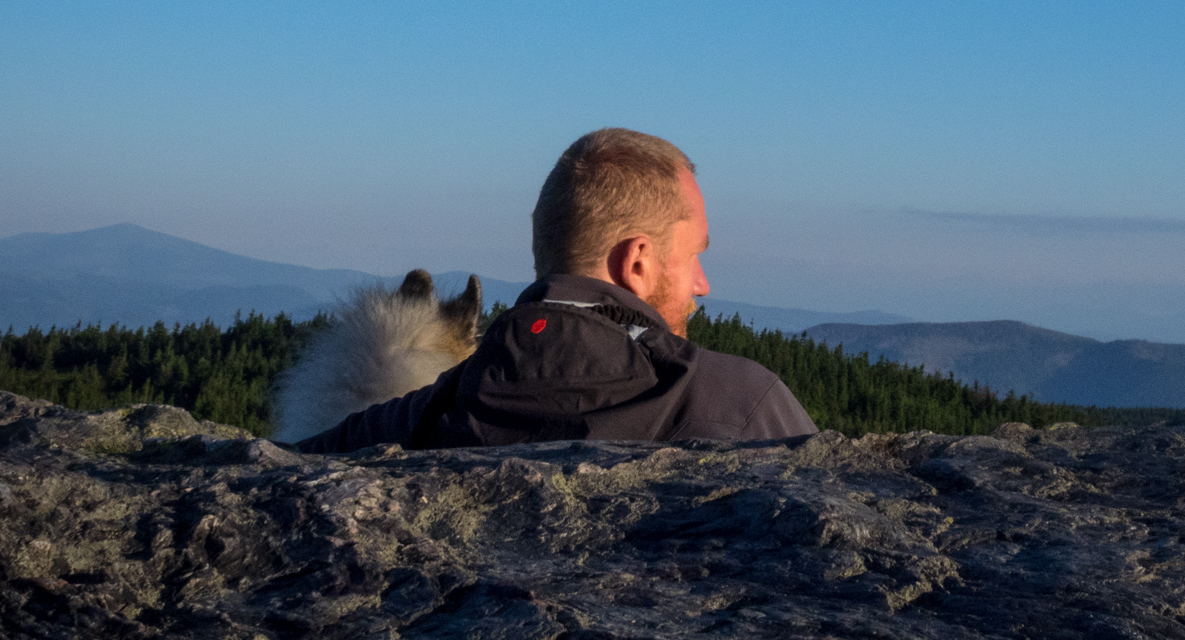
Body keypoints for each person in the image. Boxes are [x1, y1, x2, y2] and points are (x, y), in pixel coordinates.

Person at [293, 128, 817, 451]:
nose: (703, 283)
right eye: (695, 254)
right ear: (636, 262)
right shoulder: (743, 403)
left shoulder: (424, 412)